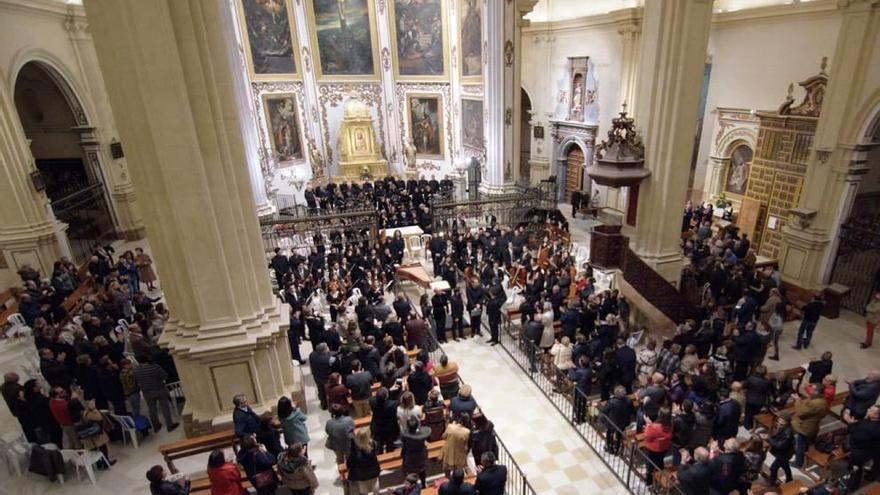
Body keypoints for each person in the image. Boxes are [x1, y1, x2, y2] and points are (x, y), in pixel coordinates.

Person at [134, 355, 179, 432]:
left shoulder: (136, 371)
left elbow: (136, 381)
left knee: (152, 409)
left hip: (147, 392)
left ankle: (156, 426)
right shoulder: (155, 367)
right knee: (165, 408)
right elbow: (165, 376)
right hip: (159, 389)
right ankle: (169, 425)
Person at [842, 405, 880, 493]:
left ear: (876, 416)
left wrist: (851, 424)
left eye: (871, 410)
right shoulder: (871, 422)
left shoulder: (870, 428)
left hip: (860, 452)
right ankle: (870, 476)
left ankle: (851, 488)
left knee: (855, 471)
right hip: (872, 450)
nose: (868, 409)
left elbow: (856, 437)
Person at [791, 388, 828, 468]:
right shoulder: (823, 401)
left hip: (805, 427)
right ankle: (804, 456)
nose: (810, 391)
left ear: (817, 392)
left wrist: (797, 401)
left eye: (813, 389)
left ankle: (798, 463)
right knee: (806, 444)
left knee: (800, 446)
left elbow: (800, 413)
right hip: (813, 426)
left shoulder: (814, 403)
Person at [79, 398, 117, 469]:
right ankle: (106, 462)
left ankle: (99, 464)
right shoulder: (91, 413)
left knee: (94, 449)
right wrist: (95, 410)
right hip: (96, 434)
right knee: (103, 447)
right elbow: (99, 418)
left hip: (90, 436)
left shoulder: (84, 413)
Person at [601, 385, 634, 454]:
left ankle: (610, 448)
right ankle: (617, 449)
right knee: (619, 434)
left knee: (610, 433)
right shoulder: (628, 400)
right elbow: (631, 410)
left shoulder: (612, 402)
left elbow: (604, 410)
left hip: (613, 422)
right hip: (623, 422)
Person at [644, 408, 673, 487]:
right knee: (660, 462)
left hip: (653, 449)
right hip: (663, 448)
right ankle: (659, 478)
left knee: (650, 464)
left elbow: (647, 437)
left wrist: (648, 425)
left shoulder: (655, 427)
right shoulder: (670, 425)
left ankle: (649, 482)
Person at [400, 416, 431, 488]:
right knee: (422, 469)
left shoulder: (406, 436)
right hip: (420, 454)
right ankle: (423, 484)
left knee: (410, 471)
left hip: (410, 456)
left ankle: (412, 487)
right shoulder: (422, 435)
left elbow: (402, 440)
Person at [370, 387, 400, 453]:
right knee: (390, 444)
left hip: (378, 427)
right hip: (390, 428)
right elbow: (398, 401)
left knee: (379, 444)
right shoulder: (393, 405)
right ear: (386, 397)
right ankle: (390, 453)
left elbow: (374, 398)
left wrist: (388, 391)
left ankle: (380, 453)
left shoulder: (372, 401)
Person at [766, 414, 794, 485]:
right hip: (783, 453)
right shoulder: (781, 427)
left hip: (784, 453)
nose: (779, 423)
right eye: (779, 420)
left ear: (787, 422)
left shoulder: (788, 433)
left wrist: (769, 438)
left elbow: (780, 445)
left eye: (782, 421)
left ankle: (772, 483)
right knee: (785, 465)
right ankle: (789, 479)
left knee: (773, 468)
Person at [308, 343, 333, 410]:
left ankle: (323, 405)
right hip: (326, 378)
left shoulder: (312, 355)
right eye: (327, 347)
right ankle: (331, 405)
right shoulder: (327, 358)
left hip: (317, 376)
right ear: (324, 350)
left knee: (321, 390)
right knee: (329, 391)